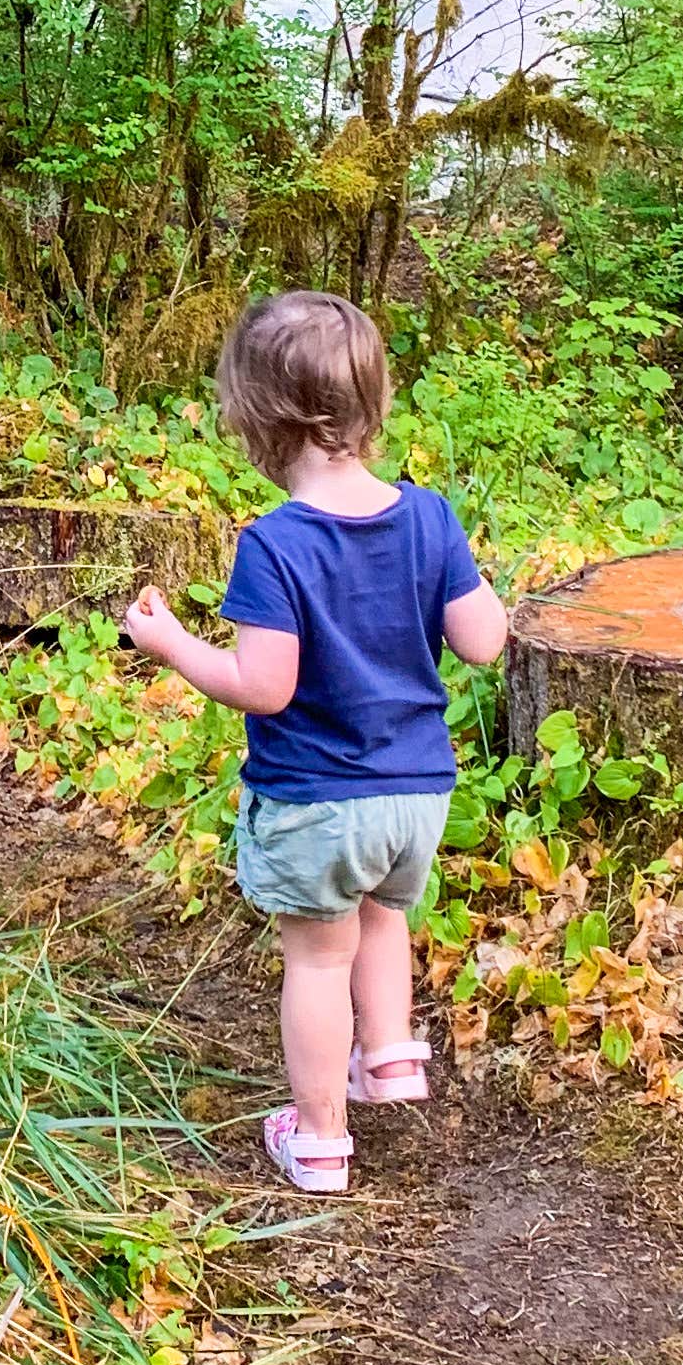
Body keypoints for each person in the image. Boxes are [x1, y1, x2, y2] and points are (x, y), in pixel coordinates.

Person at [122, 288, 507, 1197]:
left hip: (318, 799)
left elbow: (264, 686)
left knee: (318, 956)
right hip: (417, 796)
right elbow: (485, 641)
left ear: (261, 420)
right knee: (384, 918)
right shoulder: (430, 516)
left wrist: (172, 643)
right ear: (370, 404)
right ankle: (389, 1059)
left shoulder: (277, 545)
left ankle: (321, 1137)